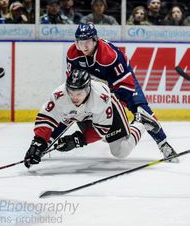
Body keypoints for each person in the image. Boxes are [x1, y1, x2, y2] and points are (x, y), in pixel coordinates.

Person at [65, 23, 178, 162]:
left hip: (121, 82)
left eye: (87, 42)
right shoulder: (72, 54)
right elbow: (73, 85)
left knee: (140, 107)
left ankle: (164, 144)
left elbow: (127, 86)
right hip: (98, 86)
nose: (84, 47)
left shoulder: (110, 56)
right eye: (80, 42)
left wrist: (111, 98)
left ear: (95, 40)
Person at [24, 69, 159, 168]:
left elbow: (102, 129)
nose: (74, 97)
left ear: (88, 89)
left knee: (120, 150)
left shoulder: (100, 98)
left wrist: (78, 140)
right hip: (85, 115)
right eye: (71, 92)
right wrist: (38, 143)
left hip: (109, 109)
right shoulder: (60, 96)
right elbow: (47, 118)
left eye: (79, 93)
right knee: (46, 143)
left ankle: (141, 121)